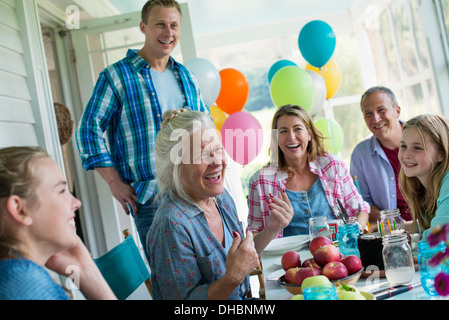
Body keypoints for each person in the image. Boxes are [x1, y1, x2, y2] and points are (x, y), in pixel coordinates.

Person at [75, 0, 209, 256]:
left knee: (212, 270)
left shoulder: (188, 77)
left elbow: (205, 130)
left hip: (196, 190)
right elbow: (89, 129)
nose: (168, 32)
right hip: (152, 198)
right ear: (143, 27)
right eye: (160, 24)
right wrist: (114, 181)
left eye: (174, 25)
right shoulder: (116, 76)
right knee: (170, 280)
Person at [147, 109, 293, 300]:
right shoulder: (171, 225)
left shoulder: (220, 197)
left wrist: (273, 228)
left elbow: (242, 258)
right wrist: (232, 278)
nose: (217, 161)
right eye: (201, 154)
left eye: (217, 150)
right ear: (174, 167)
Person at [0, 146, 116, 300]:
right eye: (61, 191)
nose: (76, 202)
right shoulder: (26, 285)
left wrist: (85, 270)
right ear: (19, 209)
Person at [247, 104, 370, 238]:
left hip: (336, 253)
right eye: (283, 131)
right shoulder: (261, 181)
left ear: (309, 134)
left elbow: (361, 209)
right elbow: (253, 234)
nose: (291, 137)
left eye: (297, 129)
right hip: (284, 258)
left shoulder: (332, 166)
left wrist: (354, 232)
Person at [350, 86, 411, 222]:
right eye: (368, 113)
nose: (376, 119)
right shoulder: (360, 155)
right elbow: (362, 203)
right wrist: (396, 224)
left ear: (397, 111)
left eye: (381, 110)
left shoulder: (424, 138)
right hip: (393, 234)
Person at [398, 114, 449, 239]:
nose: (407, 154)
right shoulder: (425, 186)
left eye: (417, 148)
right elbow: (430, 223)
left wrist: (411, 239)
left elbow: (440, 236)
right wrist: (400, 227)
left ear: (441, 154)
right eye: (403, 146)